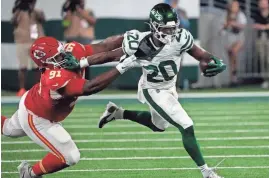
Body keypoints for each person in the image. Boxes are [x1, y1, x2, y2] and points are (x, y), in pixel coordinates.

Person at [99, 3, 226, 178]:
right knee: (186, 126)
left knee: (158, 126)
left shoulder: (181, 37)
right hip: (153, 89)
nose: (170, 33)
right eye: (166, 29)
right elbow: (109, 54)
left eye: (173, 28)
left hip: (169, 87)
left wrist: (213, 60)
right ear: (154, 26)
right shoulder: (143, 43)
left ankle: (117, 113)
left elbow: (200, 55)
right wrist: (84, 62)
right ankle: (206, 172)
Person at [1, 35, 137, 178]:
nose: (64, 56)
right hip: (37, 117)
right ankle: (29, 174)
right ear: (46, 64)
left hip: (33, 100)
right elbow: (91, 87)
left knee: (8, 129)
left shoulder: (71, 51)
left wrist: (131, 39)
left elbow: (103, 47)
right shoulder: (53, 79)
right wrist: (122, 67)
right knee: (70, 156)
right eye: (58, 57)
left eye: (62, 52)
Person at [11, 0, 46, 96]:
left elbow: (42, 19)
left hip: (36, 42)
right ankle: (21, 89)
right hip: (22, 42)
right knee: (23, 67)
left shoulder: (37, 11)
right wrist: (19, 8)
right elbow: (13, 22)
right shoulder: (19, 12)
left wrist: (32, 10)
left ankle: (39, 88)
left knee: (38, 67)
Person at [220, 0, 247, 86]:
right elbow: (221, 28)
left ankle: (235, 73)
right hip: (229, 38)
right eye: (234, 5)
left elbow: (243, 25)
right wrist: (227, 25)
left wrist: (234, 24)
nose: (235, 7)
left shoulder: (240, 15)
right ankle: (233, 77)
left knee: (234, 51)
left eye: (237, 6)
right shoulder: (225, 15)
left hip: (239, 38)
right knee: (230, 58)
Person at [253, 0, 269, 89]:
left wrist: (263, 26)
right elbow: (255, 26)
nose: (263, 4)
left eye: (264, 2)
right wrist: (265, 26)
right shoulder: (257, 14)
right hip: (260, 39)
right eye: (261, 2)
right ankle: (265, 80)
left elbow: (261, 26)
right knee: (263, 60)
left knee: (268, 59)